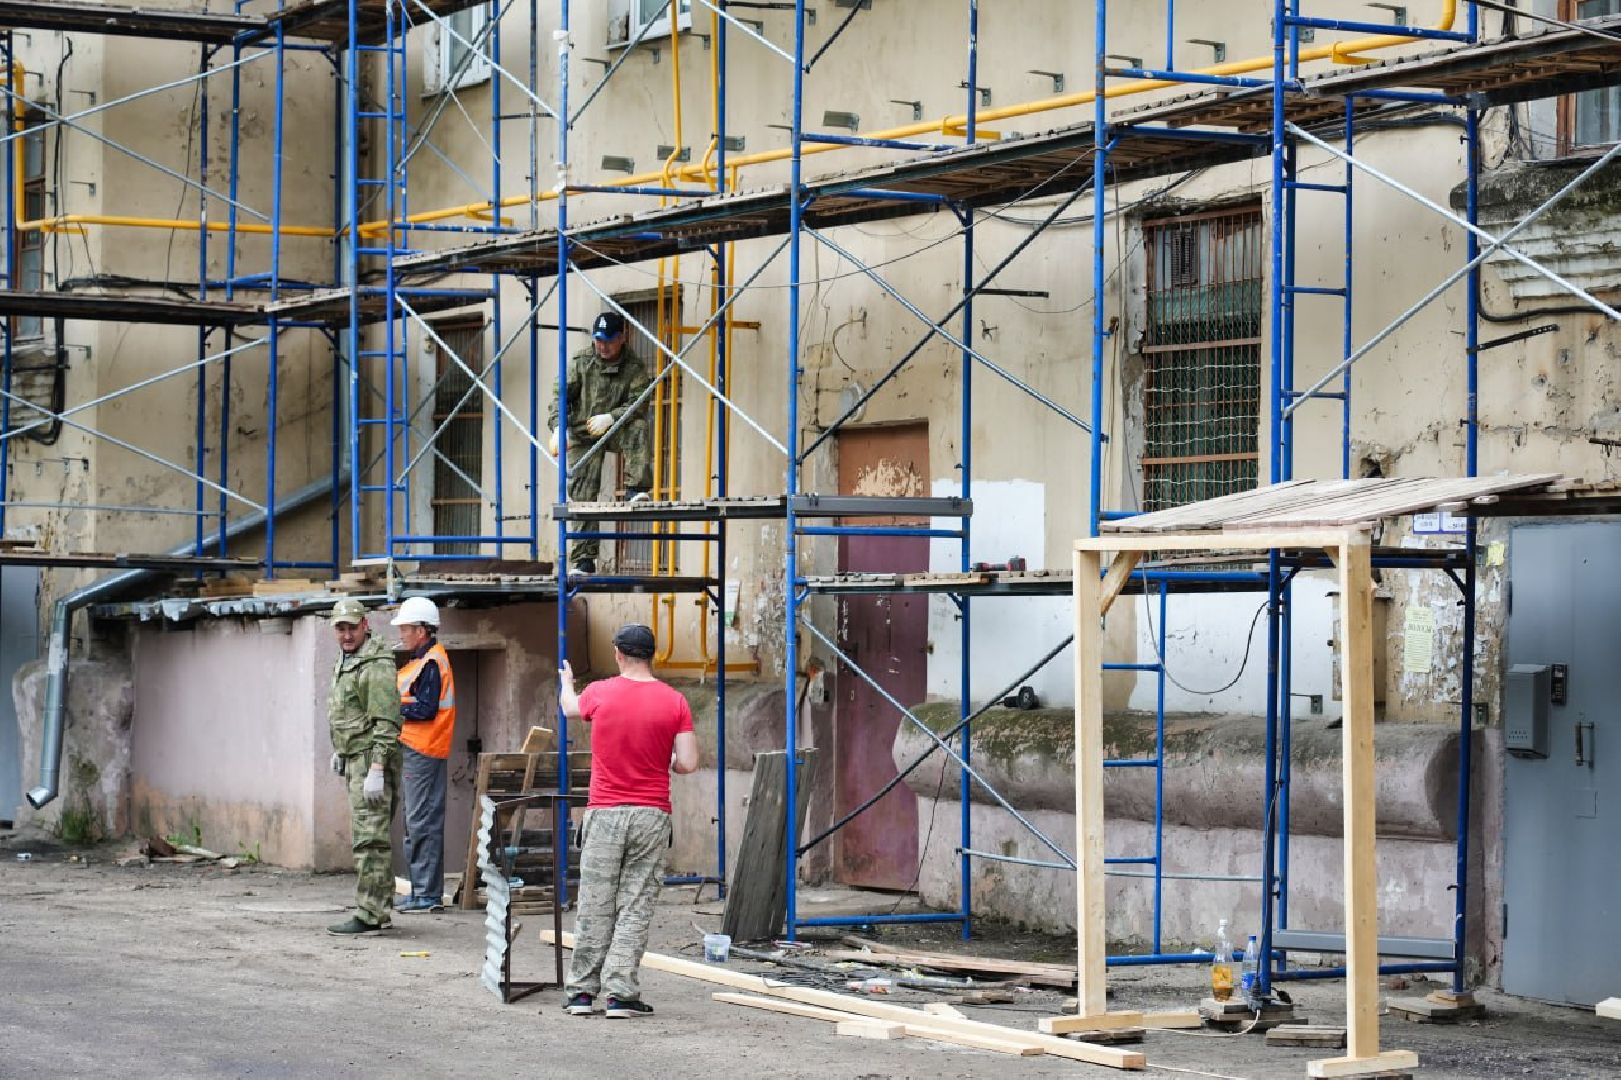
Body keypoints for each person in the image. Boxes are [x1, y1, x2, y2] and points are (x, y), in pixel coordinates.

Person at [558, 623, 699, 1018]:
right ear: (652, 655)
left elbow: (570, 708)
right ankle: (621, 994)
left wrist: (568, 682)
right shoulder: (675, 701)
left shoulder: (600, 692)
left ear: (618, 653)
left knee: (594, 903)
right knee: (635, 906)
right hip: (652, 816)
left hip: (604, 812)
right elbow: (688, 762)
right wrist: (663, 760)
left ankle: (582, 994)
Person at [547, 310, 654, 574]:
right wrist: (558, 428)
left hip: (615, 426)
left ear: (622, 338)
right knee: (583, 493)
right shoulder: (580, 362)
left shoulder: (634, 367)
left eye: (608, 340)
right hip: (583, 432)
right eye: (598, 340)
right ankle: (584, 559)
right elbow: (559, 398)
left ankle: (635, 488)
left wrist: (612, 417)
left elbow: (638, 405)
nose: (602, 346)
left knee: (639, 427)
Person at [324, 598, 402, 935]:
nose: (346, 634)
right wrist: (341, 749)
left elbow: (386, 722)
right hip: (356, 758)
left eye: (351, 627)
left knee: (370, 841)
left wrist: (377, 769)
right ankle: (377, 910)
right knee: (369, 838)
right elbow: (350, 713)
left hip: (372, 761)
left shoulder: (376, 665)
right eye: (340, 628)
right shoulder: (349, 660)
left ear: (365, 625)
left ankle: (371, 914)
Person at [391, 596, 456, 914]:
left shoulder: (431, 663)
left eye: (404, 627)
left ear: (420, 630)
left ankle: (427, 895)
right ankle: (421, 892)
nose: (401, 633)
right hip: (419, 748)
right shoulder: (423, 662)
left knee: (421, 823)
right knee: (416, 822)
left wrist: (393, 708)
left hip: (424, 749)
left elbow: (426, 709)